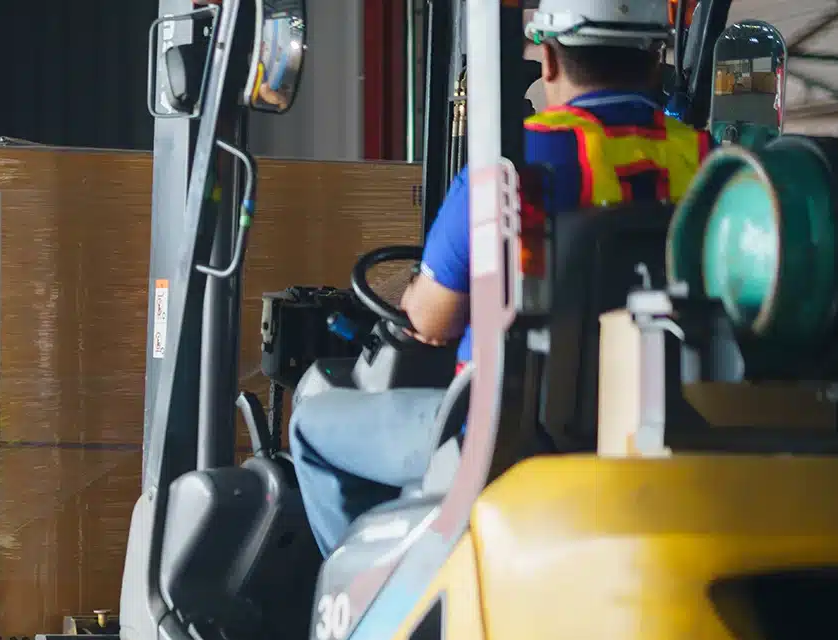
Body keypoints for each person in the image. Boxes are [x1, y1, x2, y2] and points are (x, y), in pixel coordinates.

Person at [288, 0, 709, 557]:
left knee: (312, 424)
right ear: (657, 60)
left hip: (505, 434)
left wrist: (419, 287)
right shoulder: (710, 166)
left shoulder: (510, 169)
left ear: (550, 61)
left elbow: (429, 323)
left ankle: (375, 619)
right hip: (668, 429)